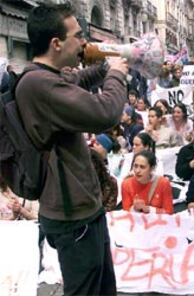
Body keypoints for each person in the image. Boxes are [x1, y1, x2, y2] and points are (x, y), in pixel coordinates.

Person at [17, 3, 128, 295]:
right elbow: (106, 113)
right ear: (56, 43)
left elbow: (78, 79)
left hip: (82, 209)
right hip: (73, 215)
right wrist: (117, 74)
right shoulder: (41, 85)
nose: (83, 42)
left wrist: (107, 62)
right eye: (78, 36)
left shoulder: (46, 77)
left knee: (103, 288)